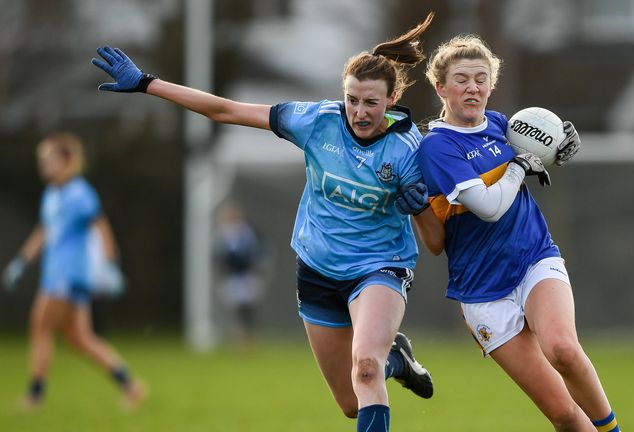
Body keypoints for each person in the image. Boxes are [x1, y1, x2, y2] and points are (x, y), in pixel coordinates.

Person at [92, 12, 435, 432]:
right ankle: (395, 361)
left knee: (364, 368)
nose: (359, 112)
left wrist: (421, 207)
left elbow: (435, 240)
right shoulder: (316, 122)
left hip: (379, 267)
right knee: (351, 401)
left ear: (392, 98)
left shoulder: (408, 150)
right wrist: (148, 83)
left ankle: (380, 360)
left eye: (371, 102)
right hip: (318, 269)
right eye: (352, 100)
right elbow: (224, 111)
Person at [403, 35, 620, 431]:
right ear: (441, 88)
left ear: (491, 84)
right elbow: (488, 207)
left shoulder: (505, 126)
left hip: (534, 258)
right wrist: (520, 167)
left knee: (564, 351)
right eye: (462, 79)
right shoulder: (437, 147)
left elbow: (539, 146)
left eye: (481, 79)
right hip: (482, 290)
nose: (473, 87)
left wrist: (562, 146)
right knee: (562, 413)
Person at [2, 132, 145, 409]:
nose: (43, 165)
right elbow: (44, 231)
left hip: (66, 275)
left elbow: (101, 228)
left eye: (49, 159)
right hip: (59, 274)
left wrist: (111, 267)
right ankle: (130, 385)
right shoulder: (52, 194)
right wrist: (21, 261)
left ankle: (34, 396)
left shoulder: (79, 193)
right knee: (80, 338)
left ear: (67, 160)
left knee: (40, 328)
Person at [213, 201, 268, 344]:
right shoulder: (222, 235)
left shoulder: (248, 232)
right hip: (231, 277)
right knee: (234, 310)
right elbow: (218, 257)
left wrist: (257, 271)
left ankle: (249, 337)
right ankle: (237, 338)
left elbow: (258, 253)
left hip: (247, 275)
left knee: (247, 309)